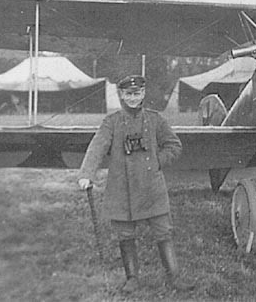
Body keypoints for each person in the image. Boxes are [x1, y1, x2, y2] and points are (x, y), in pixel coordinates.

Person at [76, 75, 193, 293]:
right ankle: (132, 279)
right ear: (121, 94)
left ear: (143, 94)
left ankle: (174, 278)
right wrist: (87, 174)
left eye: (137, 93)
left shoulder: (155, 120)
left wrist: (158, 160)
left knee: (163, 232)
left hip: (152, 187)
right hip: (123, 188)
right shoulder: (111, 122)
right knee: (125, 234)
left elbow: (174, 146)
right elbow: (97, 147)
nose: (132, 98)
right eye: (128, 94)